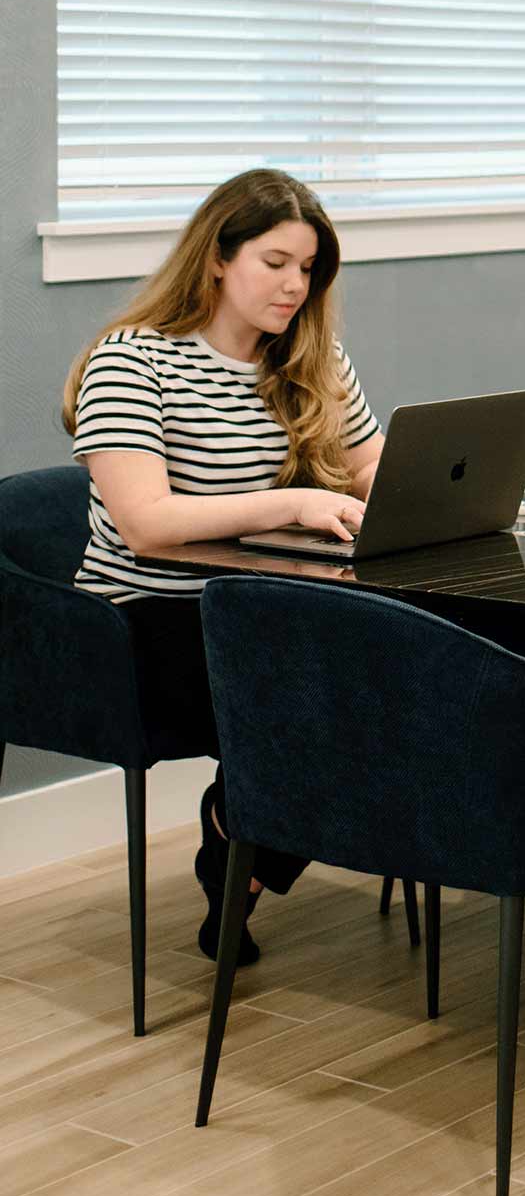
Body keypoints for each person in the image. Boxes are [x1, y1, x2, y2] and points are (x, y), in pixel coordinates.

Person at [62, 169, 383, 963]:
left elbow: (376, 473)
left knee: (395, 679)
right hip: (144, 622)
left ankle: (238, 837)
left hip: (278, 610)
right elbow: (146, 525)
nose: (294, 286)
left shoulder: (312, 360)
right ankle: (239, 840)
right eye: (275, 262)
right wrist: (291, 502)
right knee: (327, 696)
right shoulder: (131, 362)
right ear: (216, 256)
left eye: (307, 269)